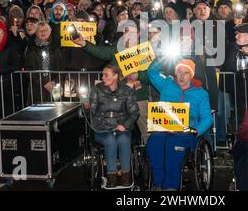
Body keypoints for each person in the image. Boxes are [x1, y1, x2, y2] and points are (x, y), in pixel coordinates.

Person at [147, 59, 213, 191]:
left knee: (173, 146)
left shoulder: (201, 93)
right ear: (175, 73)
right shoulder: (167, 84)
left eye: (186, 73)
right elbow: (152, 72)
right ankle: (158, 183)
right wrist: (163, 57)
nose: (181, 76)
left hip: (185, 131)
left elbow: (207, 118)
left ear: (191, 75)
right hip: (163, 128)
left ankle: (170, 186)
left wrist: (196, 130)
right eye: (179, 72)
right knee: (154, 144)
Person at [81, 64, 139, 188]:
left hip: (122, 127)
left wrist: (125, 124)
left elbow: (134, 112)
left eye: (106, 75)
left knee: (124, 139)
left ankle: (126, 177)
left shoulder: (127, 91)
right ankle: (111, 177)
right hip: (102, 128)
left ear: (115, 76)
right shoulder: (97, 89)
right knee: (110, 140)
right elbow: (92, 114)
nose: (103, 77)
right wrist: (86, 107)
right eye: (103, 75)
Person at [24, 22, 62, 104]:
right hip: (37, 86)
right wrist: (43, 82)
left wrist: (54, 81)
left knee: (57, 110)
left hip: (55, 85)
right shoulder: (31, 47)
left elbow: (61, 67)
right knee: (36, 113)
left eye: (45, 30)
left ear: (50, 31)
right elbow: (28, 68)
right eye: (40, 31)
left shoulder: (57, 46)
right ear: (36, 32)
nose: (43, 32)